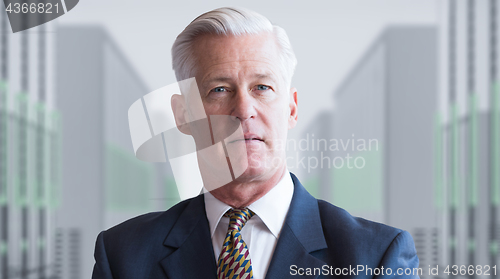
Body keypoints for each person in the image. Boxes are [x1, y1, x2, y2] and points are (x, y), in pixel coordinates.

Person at [92, 7, 419, 279]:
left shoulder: (376, 258)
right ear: (183, 115)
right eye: (219, 89)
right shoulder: (123, 256)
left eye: (262, 87)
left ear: (291, 109)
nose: (244, 110)